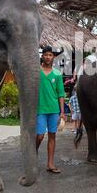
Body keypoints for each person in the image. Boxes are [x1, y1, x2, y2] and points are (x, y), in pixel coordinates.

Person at [36, 46, 66, 174]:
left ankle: (50, 164)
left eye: (50, 55)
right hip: (40, 109)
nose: (48, 57)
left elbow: (61, 94)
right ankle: (33, 152)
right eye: (46, 55)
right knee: (40, 136)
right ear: (42, 56)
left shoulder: (57, 74)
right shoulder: (36, 71)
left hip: (54, 110)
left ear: (53, 57)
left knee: (52, 136)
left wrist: (62, 112)